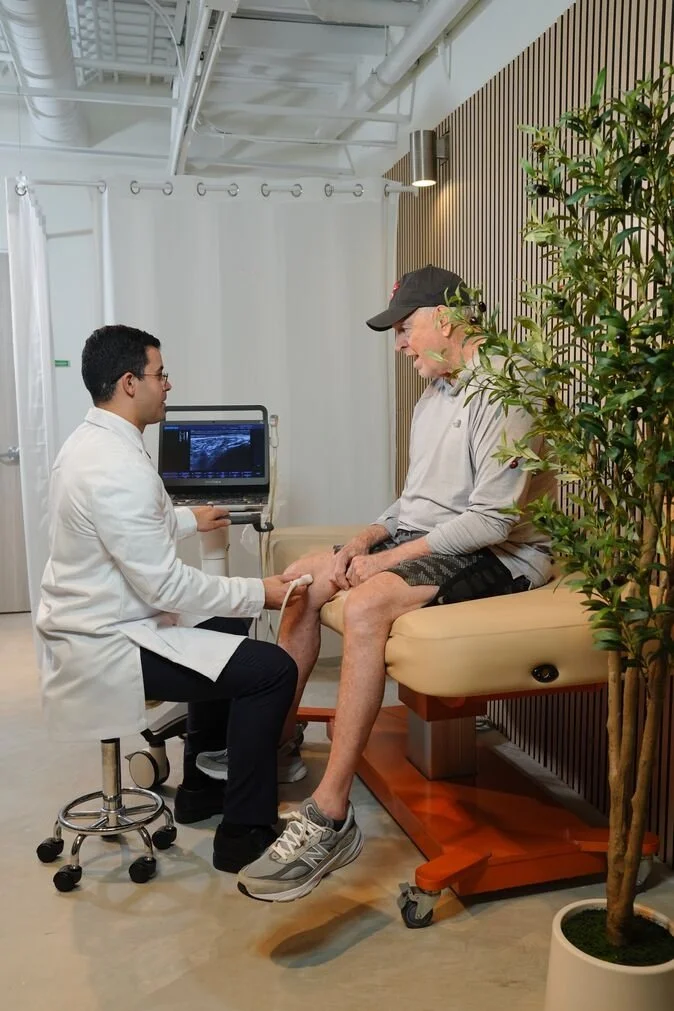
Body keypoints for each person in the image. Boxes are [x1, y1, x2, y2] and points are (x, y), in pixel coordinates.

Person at [236, 265, 555, 902]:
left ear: (449, 319)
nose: (401, 343)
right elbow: (413, 505)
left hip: (506, 554)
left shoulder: (509, 386)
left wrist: (382, 566)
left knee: (368, 605)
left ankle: (331, 815)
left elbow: (490, 521)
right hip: (441, 543)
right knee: (304, 579)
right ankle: (277, 743)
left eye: (407, 327)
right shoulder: (437, 394)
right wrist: (363, 540)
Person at [36, 324, 306, 873]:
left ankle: (201, 789)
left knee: (225, 625)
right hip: (106, 644)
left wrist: (189, 518)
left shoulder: (92, 443)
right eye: (161, 374)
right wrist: (262, 592)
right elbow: (165, 585)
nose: (169, 384)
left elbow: (129, 528)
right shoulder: (115, 466)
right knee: (271, 669)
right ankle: (244, 832)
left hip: (105, 616)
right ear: (130, 382)